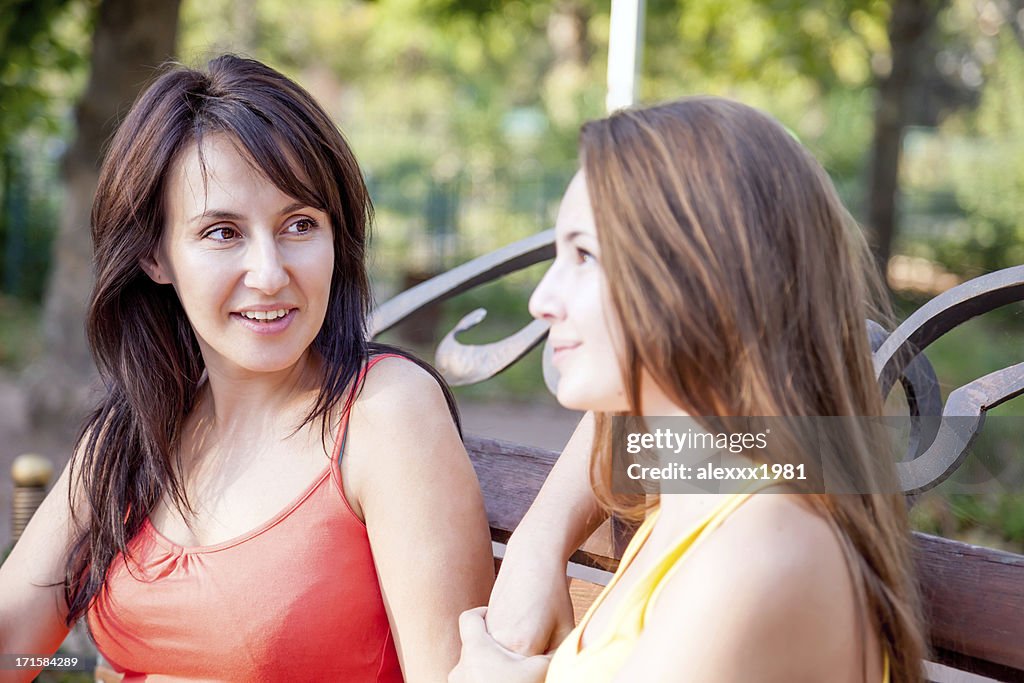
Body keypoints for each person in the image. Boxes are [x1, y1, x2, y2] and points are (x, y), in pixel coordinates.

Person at [0, 55, 493, 682]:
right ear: (154, 255)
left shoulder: (385, 415)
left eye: (299, 225)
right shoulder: (134, 432)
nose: (268, 274)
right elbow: (16, 644)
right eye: (222, 232)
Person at [449, 97, 926, 682]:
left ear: (702, 281)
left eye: (584, 255)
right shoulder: (710, 482)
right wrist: (536, 543)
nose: (541, 300)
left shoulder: (754, 552)